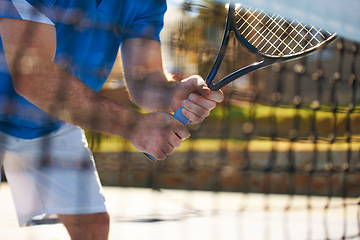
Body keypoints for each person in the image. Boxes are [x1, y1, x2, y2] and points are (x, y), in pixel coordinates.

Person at [0, 0, 223, 239]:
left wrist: (172, 94)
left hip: (51, 122)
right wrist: (133, 125)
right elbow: (33, 75)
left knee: (93, 228)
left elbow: (144, 78)